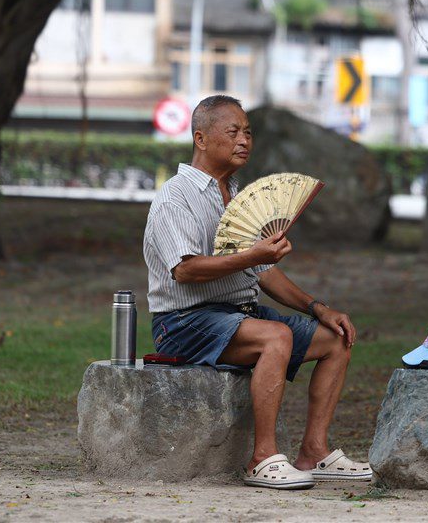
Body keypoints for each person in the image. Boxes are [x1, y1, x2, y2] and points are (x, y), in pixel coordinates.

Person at [143, 95, 372, 490]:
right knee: (275, 337)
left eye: (248, 133)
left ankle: (314, 452)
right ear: (200, 138)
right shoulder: (174, 197)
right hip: (182, 322)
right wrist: (252, 255)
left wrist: (317, 307)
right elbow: (185, 269)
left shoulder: (235, 194)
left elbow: (263, 273)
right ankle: (262, 458)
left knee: (336, 339)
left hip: (238, 315)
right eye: (233, 132)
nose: (244, 140)